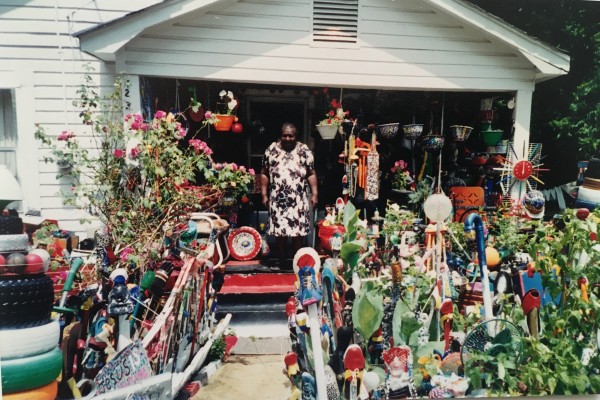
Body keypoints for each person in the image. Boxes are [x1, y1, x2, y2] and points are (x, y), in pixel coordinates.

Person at [261, 122, 318, 269]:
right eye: (284, 135)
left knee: (297, 233)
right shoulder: (271, 150)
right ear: (280, 136)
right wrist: (264, 194)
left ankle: (297, 263)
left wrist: (315, 193)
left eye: (290, 136)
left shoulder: (304, 150)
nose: (287, 138)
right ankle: (282, 262)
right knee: (280, 234)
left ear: (295, 136)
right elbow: (264, 174)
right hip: (278, 198)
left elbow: (311, 174)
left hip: (298, 199)